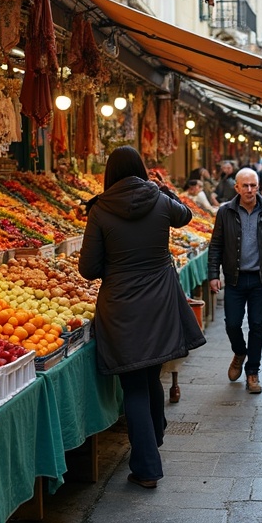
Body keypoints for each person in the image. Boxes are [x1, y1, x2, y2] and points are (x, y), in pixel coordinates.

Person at [78, 147, 205, 489]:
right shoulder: (161, 201)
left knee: (133, 382)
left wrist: (117, 267)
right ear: (141, 169)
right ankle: (155, 434)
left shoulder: (100, 209)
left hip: (121, 305)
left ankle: (148, 467)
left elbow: (88, 269)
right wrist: (161, 189)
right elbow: (186, 216)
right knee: (150, 372)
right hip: (160, 300)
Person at [208, 168, 262, 394]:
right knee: (232, 324)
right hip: (234, 278)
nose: (250, 190)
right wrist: (214, 274)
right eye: (245, 186)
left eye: (253, 185)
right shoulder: (225, 212)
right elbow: (215, 246)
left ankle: (252, 372)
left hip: (259, 279)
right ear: (236, 187)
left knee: (256, 325)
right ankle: (239, 352)